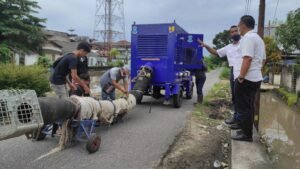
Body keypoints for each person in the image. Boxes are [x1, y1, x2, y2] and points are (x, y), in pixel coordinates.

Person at [231, 15, 266, 142]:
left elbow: (247, 58)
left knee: (243, 107)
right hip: (255, 78)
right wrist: (256, 70)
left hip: (246, 79)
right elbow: (263, 60)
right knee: (249, 106)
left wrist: (241, 76)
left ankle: (246, 134)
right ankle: (246, 130)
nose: (238, 27)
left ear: (244, 25)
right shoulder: (258, 39)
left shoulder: (248, 38)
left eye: (239, 25)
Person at [197, 25, 241, 125]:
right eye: (232, 32)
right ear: (230, 34)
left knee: (242, 97)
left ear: (239, 31)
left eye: (236, 31)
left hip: (243, 71)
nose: (234, 33)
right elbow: (216, 52)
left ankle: (242, 121)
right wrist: (206, 46)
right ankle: (236, 119)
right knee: (235, 96)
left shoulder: (244, 44)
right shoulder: (229, 47)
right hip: (233, 71)